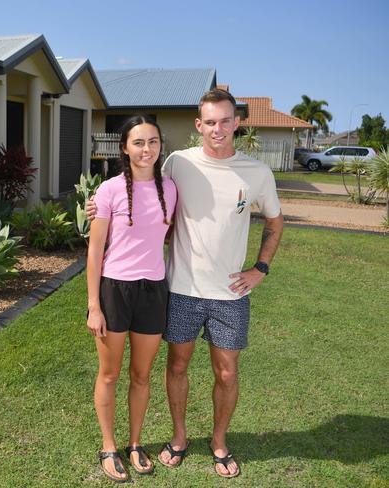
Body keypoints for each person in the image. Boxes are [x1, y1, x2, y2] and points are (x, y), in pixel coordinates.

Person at [87, 89, 284, 478]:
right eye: (210, 121)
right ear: (199, 125)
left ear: (237, 123)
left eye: (225, 120)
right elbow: (123, 220)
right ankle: (171, 439)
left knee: (225, 371)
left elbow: (274, 222)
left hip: (225, 292)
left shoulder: (254, 172)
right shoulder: (178, 164)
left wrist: (260, 268)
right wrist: (96, 205)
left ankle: (217, 442)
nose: (218, 128)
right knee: (173, 366)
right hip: (178, 289)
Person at [87, 115, 177, 483]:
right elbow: (95, 251)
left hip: (154, 289)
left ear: (160, 146)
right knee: (109, 374)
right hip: (115, 290)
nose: (146, 149)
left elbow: (168, 234)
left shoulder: (169, 188)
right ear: (124, 147)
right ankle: (109, 446)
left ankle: (135, 443)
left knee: (141, 375)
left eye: (153, 141)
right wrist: (94, 305)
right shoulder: (108, 190)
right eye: (138, 142)